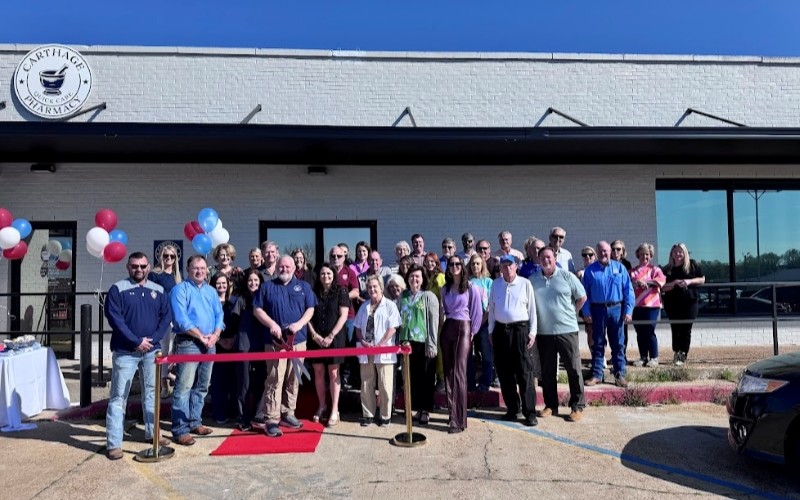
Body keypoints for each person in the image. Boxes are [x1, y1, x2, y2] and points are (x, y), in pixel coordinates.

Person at [104, 252, 172, 460]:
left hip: (151, 351)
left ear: (149, 267)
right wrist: (136, 341)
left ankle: (153, 435)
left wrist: (152, 340)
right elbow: (115, 320)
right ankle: (114, 443)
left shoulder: (158, 290)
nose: (139, 270)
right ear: (128, 267)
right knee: (118, 397)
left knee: (151, 394)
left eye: (143, 266)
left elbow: (166, 317)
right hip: (126, 352)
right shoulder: (118, 289)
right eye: (135, 266)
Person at [253, 255, 316, 437]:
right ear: (277, 267)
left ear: (294, 267)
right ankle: (271, 419)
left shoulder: (304, 286)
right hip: (274, 343)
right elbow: (257, 309)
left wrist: (299, 324)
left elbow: (310, 309)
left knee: (293, 379)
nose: (284, 269)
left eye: (288, 266)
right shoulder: (267, 287)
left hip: (298, 341)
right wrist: (272, 324)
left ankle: (288, 412)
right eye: (281, 266)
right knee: (274, 379)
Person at [170, 255, 224, 446]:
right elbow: (181, 319)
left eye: (202, 268)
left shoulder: (210, 291)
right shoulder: (180, 290)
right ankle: (179, 429)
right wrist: (200, 336)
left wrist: (216, 335)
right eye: (195, 268)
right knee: (183, 387)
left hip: (210, 343)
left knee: (202, 386)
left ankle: (195, 422)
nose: (199, 271)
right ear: (188, 269)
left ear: (207, 270)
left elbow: (219, 314)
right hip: (189, 343)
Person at [530, 247, 587, 423]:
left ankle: (577, 406)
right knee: (547, 372)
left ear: (554, 258)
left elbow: (582, 297)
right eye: (542, 257)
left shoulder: (567, 276)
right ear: (538, 260)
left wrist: (571, 313)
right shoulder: (533, 280)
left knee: (573, 369)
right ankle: (550, 405)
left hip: (567, 331)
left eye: (548, 257)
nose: (545, 260)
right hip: (544, 332)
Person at [488, 255, 539, 427]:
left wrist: (532, 332)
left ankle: (529, 412)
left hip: (520, 330)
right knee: (504, 372)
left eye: (510, 265)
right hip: (501, 331)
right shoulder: (495, 285)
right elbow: (492, 308)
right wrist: (490, 330)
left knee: (525, 372)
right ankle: (512, 408)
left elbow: (532, 310)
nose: (507, 268)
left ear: (516, 266)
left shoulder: (525, 284)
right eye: (504, 265)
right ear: (500, 268)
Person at [581, 241, 634, 388]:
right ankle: (597, 374)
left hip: (616, 309)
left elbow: (628, 291)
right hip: (597, 310)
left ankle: (620, 374)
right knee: (598, 343)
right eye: (600, 251)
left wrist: (628, 310)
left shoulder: (620, 268)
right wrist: (586, 311)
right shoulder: (590, 271)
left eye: (606, 251)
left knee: (618, 343)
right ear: (597, 252)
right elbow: (584, 294)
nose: (603, 253)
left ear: (610, 252)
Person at [440, 255, 482, 433]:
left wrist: (472, 332)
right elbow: (444, 311)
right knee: (449, 373)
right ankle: (453, 415)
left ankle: (459, 420)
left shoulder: (471, 288)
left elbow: (477, 312)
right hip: (448, 328)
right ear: (448, 268)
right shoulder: (445, 289)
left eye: (458, 264)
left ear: (462, 267)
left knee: (459, 373)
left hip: (464, 328)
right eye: (451, 264)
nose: (455, 266)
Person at [354, 275, 401, 427]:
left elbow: (393, 328)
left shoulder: (390, 306)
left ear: (381, 288)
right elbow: (357, 328)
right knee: (367, 382)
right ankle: (368, 414)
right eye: (369, 287)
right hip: (366, 349)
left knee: (385, 384)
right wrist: (363, 341)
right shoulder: (364, 307)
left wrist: (380, 344)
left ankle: (385, 415)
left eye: (375, 286)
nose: (372, 289)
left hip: (384, 350)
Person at [307, 263, 349, 427]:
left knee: (333, 373)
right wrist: (314, 335)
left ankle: (334, 409)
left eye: (329, 274)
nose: (326, 277)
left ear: (334, 275)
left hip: (335, 338)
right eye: (323, 274)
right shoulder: (313, 292)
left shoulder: (341, 291)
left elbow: (344, 316)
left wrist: (331, 335)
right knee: (318, 372)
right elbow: (308, 314)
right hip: (316, 338)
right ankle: (322, 405)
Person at [397, 264, 439, 425]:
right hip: (407, 343)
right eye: (412, 276)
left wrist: (432, 344)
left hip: (424, 343)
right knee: (412, 378)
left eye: (418, 276)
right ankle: (417, 408)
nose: (414, 279)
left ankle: (425, 410)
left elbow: (434, 322)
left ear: (423, 279)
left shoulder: (428, 296)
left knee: (426, 377)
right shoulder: (404, 295)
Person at [229, 268, 266, 431]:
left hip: (261, 345)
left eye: (256, 281)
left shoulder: (264, 298)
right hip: (244, 346)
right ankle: (244, 417)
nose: (253, 283)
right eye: (250, 280)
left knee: (260, 382)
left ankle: (259, 415)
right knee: (243, 383)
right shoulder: (240, 299)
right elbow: (233, 322)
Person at [661, 243, 705, 366]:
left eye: (680, 251)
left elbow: (702, 279)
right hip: (672, 303)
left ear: (685, 253)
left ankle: (683, 354)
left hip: (690, 302)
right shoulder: (667, 269)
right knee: (675, 329)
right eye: (675, 252)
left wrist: (689, 281)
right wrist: (674, 283)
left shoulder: (692, 265)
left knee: (686, 328)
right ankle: (676, 352)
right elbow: (662, 287)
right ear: (671, 254)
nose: (678, 254)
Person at [148, 243, 181, 399]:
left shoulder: (178, 277)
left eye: (172, 256)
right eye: (166, 255)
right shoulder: (155, 275)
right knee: (163, 350)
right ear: (161, 256)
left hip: (176, 318)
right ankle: (164, 386)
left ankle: (173, 378)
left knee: (175, 350)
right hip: (161, 318)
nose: (169, 258)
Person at [330, 245, 361, 390]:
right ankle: (334, 377)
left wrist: (342, 298)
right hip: (331, 317)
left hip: (348, 316)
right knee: (334, 346)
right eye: (333, 256)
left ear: (344, 256)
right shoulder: (326, 272)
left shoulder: (350, 272)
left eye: (339, 256)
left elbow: (356, 291)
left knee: (349, 346)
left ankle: (347, 377)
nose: (336, 258)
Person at [630, 243, 666, 368]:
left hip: (652, 305)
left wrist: (646, 282)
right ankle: (643, 356)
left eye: (647, 254)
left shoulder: (655, 269)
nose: (644, 256)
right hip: (636, 305)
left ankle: (654, 357)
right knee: (640, 331)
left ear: (650, 256)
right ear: (637, 255)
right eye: (642, 254)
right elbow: (629, 282)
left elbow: (661, 280)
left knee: (650, 331)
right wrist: (637, 282)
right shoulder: (633, 271)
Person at [209, 273, 237, 424]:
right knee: (218, 382)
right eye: (218, 283)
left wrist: (232, 340)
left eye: (224, 283)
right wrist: (219, 341)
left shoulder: (234, 302)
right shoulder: (210, 302)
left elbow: (239, 323)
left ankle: (233, 412)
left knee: (233, 381)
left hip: (233, 346)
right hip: (216, 346)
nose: (221, 286)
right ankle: (219, 413)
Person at [466, 253, 495, 392]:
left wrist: (481, 322)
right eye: (473, 264)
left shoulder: (488, 282)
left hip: (484, 323)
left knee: (486, 354)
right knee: (468, 355)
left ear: (482, 265)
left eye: (478, 263)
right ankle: (470, 383)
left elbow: (490, 305)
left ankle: (485, 382)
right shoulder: (466, 282)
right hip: (468, 323)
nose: (475, 266)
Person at [577, 246, 599, 359]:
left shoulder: (599, 269)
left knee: (599, 333)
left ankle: (600, 356)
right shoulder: (579, 272)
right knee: (590, 332)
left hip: (599, 306)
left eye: (590, 254)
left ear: (595, 256)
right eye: (584, 255)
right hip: (586, 307)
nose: (587, 257)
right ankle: (593, 356)